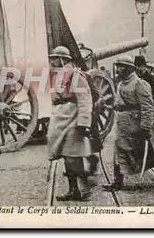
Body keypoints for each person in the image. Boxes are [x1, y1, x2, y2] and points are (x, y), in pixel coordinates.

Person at [103, 55, 154, 191]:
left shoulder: (140, 84)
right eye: (118, 66)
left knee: (150, 150)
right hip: (123, 124)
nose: (118, 69)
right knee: (119, 150)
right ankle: (118, 181)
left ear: (129, 68)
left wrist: (145, 127)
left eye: (121, 66)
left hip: (138, 123)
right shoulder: (121, 84)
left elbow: (147, 107)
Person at [47, 46, 98, 201]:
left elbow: (85, 100)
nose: (52, 61)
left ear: (64, 60)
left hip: (74, 119)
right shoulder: (57, 75)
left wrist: (84, 123)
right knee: (66, 156)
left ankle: (85, 189)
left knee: (73, 157)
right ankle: (73, 190)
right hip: (61, 118)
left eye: (55, 58)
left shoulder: (76, 76)